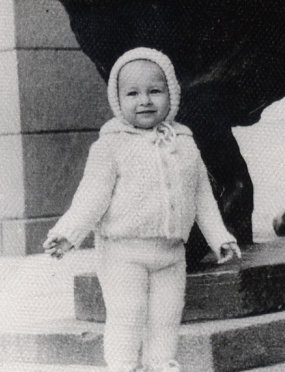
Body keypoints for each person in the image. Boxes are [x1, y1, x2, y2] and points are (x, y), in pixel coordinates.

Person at [43, 47, 242, 372]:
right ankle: (122, 366)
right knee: (128, 315)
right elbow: (91, 197)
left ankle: (162, 365)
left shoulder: (185, 143)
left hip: (171, 254)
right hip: (124, 253)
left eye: (155, 91)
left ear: (171, 95)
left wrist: (220, 236)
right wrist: (68, 234)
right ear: (118, 100)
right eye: (132, 93)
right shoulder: (110, 146)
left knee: (166, 317)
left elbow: (202, 196)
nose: (145, 100)